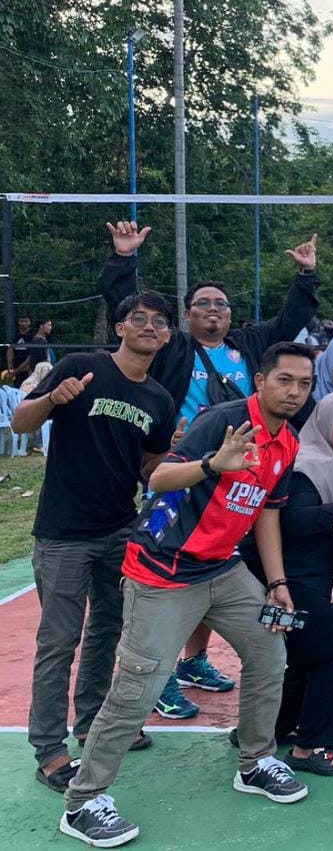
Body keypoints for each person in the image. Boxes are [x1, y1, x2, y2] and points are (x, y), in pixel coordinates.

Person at [59, 343, 315, 848]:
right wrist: (213, 463)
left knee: (270, 650)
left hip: (222, 567)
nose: (294, 391)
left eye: (304, 383)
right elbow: (158, 477)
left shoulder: (288, 441)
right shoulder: (222, 421)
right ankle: (83, 801)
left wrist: (277, 582)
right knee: (139, 687)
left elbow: (266, 510)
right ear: (260, 381)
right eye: (284, 380)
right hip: (162, 571)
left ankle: (256, 761)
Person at [99, 221, 320, 717]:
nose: (214, 310)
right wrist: (123, 259)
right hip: (187, 471)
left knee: (212, 566)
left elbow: (291, 323)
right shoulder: (174, 347)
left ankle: (193, 661)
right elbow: (129, 311)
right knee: (167, 568)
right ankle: (156, 677)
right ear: (188, 314)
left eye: (221, 303)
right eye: (203, 304)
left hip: (238, 478)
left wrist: (306, 276)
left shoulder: (248, 346)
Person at [19, 293, 177, 794]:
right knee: (58, 642)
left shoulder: (159, 399)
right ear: (120, 326)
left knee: (108, 632)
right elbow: (20, 421)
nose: (149, 326)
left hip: (118, 531)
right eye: (139, 318)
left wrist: (179, 456)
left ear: (168, 336)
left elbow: (149, 468)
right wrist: (52, 399)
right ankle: (49, 750)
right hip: (63, 533)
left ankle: (90, 725)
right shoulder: (80, 367)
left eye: (159, 321)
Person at [240, 391, 333, 777]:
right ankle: (312, 747)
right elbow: (295, 522)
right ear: (324, 424)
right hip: (283, 585)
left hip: (300, 582)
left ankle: (270, 727)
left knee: (304, 653)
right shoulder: (307, 466)